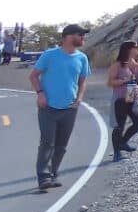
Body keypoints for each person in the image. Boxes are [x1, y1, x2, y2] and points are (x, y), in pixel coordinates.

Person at [28, 23, 92, 192]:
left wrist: (79, 99)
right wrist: (40, 93)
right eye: (80, 34)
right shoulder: (50, 55)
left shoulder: (82, 58)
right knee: (47, 142)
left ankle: (53, 174)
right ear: (68, 37)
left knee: (61, 145)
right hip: (48, 107)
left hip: (70, 108)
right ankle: (44, 177)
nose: (82, 38)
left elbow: (82, 81)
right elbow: (34, 76)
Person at [107, 40, 138, 162]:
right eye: (136, 47)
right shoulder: (117, 65)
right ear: (129, 49)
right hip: (120, 98)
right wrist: (124, 81)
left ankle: (122, 142)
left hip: (133, 95)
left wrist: (135, 65)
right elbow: (110, 82)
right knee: (119, 126)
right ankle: (117, 153)